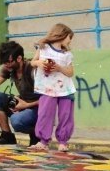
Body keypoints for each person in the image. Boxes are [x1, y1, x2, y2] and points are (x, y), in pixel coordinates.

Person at [30, 23, 76, 152]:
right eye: (69, 37)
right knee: (45, 113)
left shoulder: (67, 54)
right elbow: (32, 62)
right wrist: (40, 63)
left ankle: (63, 141)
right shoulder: (43, 48)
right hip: (47, 88)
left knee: (66, 115)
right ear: (62, 35)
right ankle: (43, 140)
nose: (70, 40)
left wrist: (59, 68)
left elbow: (71, 72)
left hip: (65, 89)